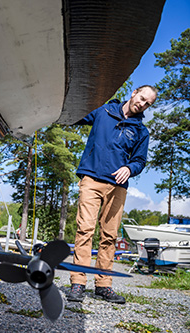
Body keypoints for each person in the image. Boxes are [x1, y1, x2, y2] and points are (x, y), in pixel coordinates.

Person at [67, 85, 157, 304]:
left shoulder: (141, 131)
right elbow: (74, 115)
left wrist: (129, 168)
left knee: (109, 236)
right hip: (91, 178)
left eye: (148, 104)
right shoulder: (103, 111)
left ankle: (103, 286)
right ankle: (78, 283)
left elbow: (139, 161)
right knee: (85, 230)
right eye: (142, 98)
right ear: (134, 92)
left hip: (117, 186)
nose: (142, 104)